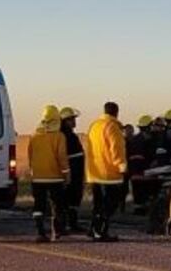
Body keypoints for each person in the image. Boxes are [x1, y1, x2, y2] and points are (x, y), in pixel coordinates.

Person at [85, 101, 127, 242]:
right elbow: (117, 150)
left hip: (94, 172)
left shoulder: (94, 126)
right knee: (110, 204)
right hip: (109, 174)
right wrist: (122, 166)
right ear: (116, 112)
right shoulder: (113, 127)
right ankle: (101, 231)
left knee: (97, 204)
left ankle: (93, 228)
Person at [28, 105, 69, 242]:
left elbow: (30, 156)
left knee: (38, 205)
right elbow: (62, 156)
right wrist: (66, 174)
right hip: (55, 178)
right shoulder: (59, 136)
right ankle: (56, 231)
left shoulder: (34, 136)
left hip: (37, 178)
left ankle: (40, 232)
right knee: (57, 205)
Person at [59, 106, 86, 232]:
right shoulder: (65, 135)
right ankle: (68, 224)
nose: (74, 121)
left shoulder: (69, 134)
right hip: (71, 173)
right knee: (69, 199)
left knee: (72, 199)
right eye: (71, 119)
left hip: (76, 172)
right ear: (64, 121)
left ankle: (70, 223)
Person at [128, 115, 154, 212]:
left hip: (134, 171)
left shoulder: (134, 139)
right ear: (147, 127)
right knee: (143, 193)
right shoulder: (146, 140)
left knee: (138, 194)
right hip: (143, 171)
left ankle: (138, 209)